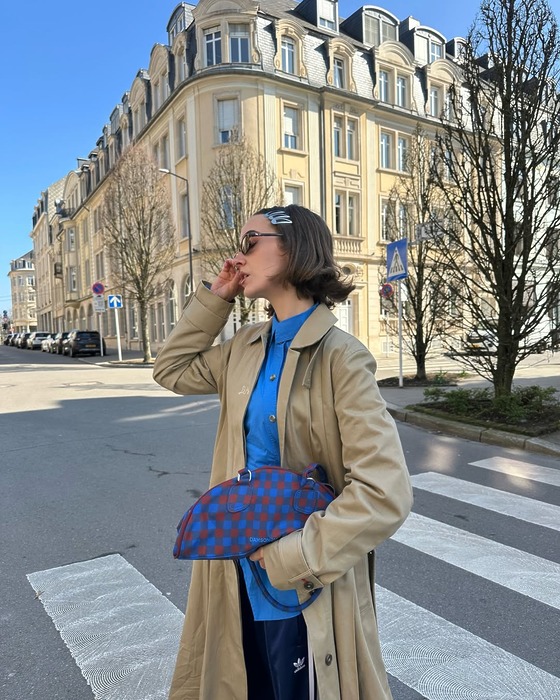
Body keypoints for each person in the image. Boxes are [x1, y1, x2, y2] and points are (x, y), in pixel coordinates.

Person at [153, 204, 413, 700]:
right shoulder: (245, 346)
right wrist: (217, 298)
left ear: (294, 249)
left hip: (303, 582)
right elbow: (172, 369)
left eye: (251, 242)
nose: (238, 256)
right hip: (234, 570)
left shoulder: (341, 356)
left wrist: (289, 558)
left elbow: (385, 492)